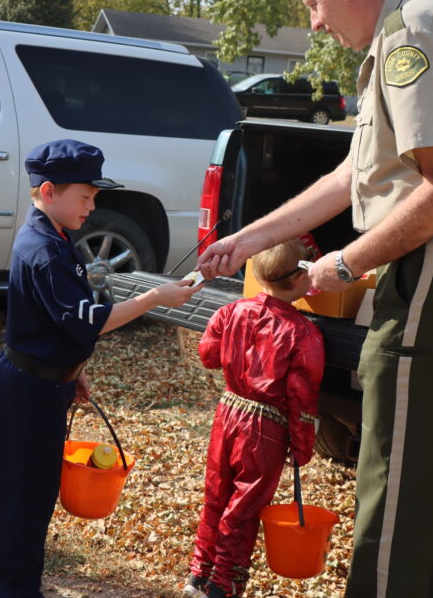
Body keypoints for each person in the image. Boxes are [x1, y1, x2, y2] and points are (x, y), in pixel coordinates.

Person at [198, 0, 433, 597]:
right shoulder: (429, 17)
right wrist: (249, 235)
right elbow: (356, 171)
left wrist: (338, 268)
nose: (313, 21)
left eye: (314, 2)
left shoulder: (407, 38)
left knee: (396, 476)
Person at [0, 139, 201, 596]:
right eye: (86, 196)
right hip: (30, 385)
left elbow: (58, 321)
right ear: (49, 191)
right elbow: (91, 319)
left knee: (17, 479)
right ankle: (15, 587)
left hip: (41, 377)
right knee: (28, 495)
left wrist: (74, 369)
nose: (92, 206)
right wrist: (153, 298)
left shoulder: (53, 236)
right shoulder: (46, 249)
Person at [184, 239, 325, 598]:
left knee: (216, 494)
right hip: (266, 428)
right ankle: (224, 583)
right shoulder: (303, 333)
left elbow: (208, 355)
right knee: (244, 506)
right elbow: (302, 397)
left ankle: (199, 573)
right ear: (298, 280)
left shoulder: (232, 311)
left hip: (228, 411)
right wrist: (303, 446)